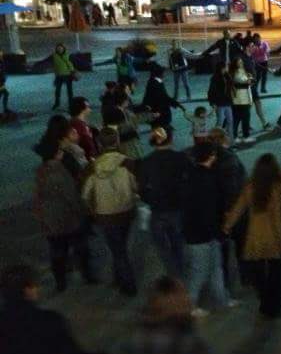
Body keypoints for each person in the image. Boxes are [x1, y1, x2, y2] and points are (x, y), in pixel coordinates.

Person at [224, 153, 281, 318]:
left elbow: (238, 208)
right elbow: (278, 218)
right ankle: (275, 306)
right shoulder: (278, 188)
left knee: (258, 272)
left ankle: (264, 301)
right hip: (273, 236)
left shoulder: (250, 186)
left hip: (255, 236)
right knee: (276, 274)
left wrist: (227, 225)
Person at [82, 129, 139, 296]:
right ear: (118, 141)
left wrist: (92, 210)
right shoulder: (128, 163)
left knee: (117, 248)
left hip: (105, 214)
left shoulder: (92, 167)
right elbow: (136, 186)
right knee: (120, 247)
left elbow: (85, 194)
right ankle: (122, 279)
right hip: (126, 210)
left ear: (99, 143)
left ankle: (126, 282)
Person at [33, 138, 95, 291]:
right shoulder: (60, 172)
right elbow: (71, 197)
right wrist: (84, 212)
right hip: (68, 219)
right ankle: (87, 275)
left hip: (50, 220)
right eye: (60, 151)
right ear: (56, 154)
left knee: (57, 252)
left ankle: (60, 282)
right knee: (81, 248)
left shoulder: (41, 171)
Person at [182, 142, 233, 316]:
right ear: (211, 156)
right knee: (203, 271)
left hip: (195, 233)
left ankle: (222, 299)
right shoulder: (210, 179)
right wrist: (221, 230)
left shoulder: (191, 176)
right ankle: (191, 305)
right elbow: (211, 210)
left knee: (211, 269)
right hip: (205, 233)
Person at [138, 126, 190, 277]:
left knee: (162, 247)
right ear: (171, 139)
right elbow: (190, 181)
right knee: (178, 244)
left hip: (157, 209)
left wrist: (150, 200)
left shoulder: (146, 161)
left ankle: (171, 273)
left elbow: (141, 189)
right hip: (177, 208)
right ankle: (179, 273)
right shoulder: (181, 158)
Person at [209, 128, 249, 291]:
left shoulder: (210, 157)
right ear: (224, 139)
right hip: (233, 211)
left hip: (216, 210)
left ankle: (225, 281)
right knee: (241, 246)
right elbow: (233, 188)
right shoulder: (229, 159)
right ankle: (245, 277)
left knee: (222, 250)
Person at [142, 63, 185, 129]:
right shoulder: (155, 83)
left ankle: (162, 125)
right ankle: (162, 126)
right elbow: (163, 96)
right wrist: (176, 104)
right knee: (161, 117)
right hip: (157, 106)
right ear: (159, 74)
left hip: (157, 105)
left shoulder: (154, 81)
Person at [229, 56, 254, 143]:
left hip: (245, 98)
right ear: (235, 64)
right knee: (241, 118)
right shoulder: (234, 73)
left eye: (241, 62)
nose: (241, 64)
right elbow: (238, 83)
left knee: (241, 118)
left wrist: (249, 80)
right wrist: (247, 82)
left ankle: (237, 136)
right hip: (239, 99)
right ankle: (243, 136)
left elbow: (246, 83)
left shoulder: (244, 71)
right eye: (239, 62)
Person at [207, 61, 234, 139]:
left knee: (230, 121)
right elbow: (211, 91)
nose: (227, 68)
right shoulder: (215, 78)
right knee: (220, 122)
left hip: (227, 102)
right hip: (219, 103)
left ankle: (230, 141)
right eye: (226, 66)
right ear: (222, 67)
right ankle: (214, 139)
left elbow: (230, 88)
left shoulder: (227, 76)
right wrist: (212, 102)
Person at [68, 96, 99, 160]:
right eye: (88, 107)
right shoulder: (79, 125)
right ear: (82, 109)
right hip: (86, 158)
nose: (90, 109)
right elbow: (87, 144)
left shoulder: (75, 122)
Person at [51, 43, 75, 110]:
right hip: (58, 75)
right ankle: (57, 103)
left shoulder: (68, 55)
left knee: (69, 91)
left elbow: (71, 63)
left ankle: (71, 104)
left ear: (64, 49)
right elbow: (51, 63)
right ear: (56, 49)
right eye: (58, 48)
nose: (60, 49)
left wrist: (72, 71)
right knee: (57, 91)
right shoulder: (54, 56)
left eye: (61, 48)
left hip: (68, 75)